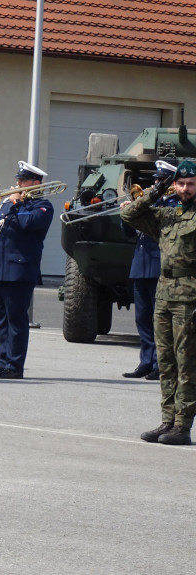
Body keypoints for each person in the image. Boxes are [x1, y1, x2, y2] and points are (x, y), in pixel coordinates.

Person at [121, 160, 196, 446]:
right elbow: (129, 215)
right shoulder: (168, 212)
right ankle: (167, 420)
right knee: (165, 362)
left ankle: (183, 425)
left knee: (186, 362)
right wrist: (155, 191)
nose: (185, 189)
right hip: (164, 294)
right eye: (181, 183)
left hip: (190, 297)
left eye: (191, 184)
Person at [0, 161, 55, 380]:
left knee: (16, 319)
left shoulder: (43, 206)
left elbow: (28, 224)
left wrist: (17, 204)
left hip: (19, 270)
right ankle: (3, 361)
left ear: (35, 183)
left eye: (22, 180)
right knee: (0, 319)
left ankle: (15, 365)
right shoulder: (8, 204)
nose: (17, 183)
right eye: (17, 179)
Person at [121, 160, 179, 380]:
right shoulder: (147, 203)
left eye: (161, 179)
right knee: (143, 319)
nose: (156, 182)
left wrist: (145, 206)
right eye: (155, 178)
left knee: (160, 321)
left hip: (159, 267)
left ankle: (160, 364)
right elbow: (127, 233)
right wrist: (128, 214)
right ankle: (146, 361)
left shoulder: (175, 204)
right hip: (141, 265)